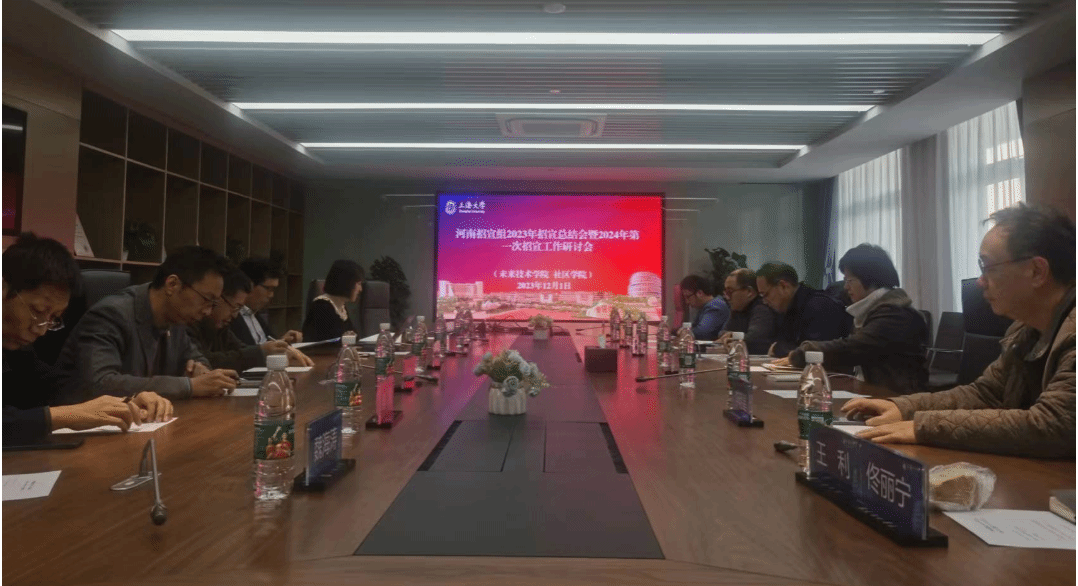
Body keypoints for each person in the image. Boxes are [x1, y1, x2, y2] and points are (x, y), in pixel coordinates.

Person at [844, 204, 1075, 459]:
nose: (980, 281)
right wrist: (903, 407)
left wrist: (924, 427)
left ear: (1037, 271)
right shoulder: (1024, 330)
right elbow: (985, 393)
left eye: (987, 267)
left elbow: (1053, 425)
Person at [3, 233, 172, 445]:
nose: (41, 330)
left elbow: (54, 389)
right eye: (37, 311)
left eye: (53, 318)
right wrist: (68, 416)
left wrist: (125, 403)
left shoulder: (18, 350)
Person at [54, 246, 239, 403]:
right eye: (206, 300)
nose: (208, 312)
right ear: (172, 284)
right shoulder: (111, 315)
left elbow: (195, 357)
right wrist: (188, 386)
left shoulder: (177, 319)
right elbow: (100, 383)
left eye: (213, 304)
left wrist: (201, 370)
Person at [776, 244, 928, 393]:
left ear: (869, 279)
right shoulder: (874, 310)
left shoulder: (895, 315)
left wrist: (804, 353)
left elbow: (851, 349)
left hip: (897, 397)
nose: (845, 287)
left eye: (850, 280)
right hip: (874, 390)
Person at [188, 269, 313, 372]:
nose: (235, 315)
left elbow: (242, 349)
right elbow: (207, 360)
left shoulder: (221, 328)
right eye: (235, 307)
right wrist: (262, 352)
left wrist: (279, 353)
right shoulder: (189, 324)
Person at [756, 262, 851, 357]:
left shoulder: (819, 306)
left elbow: (814, 353)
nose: (764, 301)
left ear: (783, 286)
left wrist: (778, 349)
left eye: (765, 295)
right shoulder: (787, 308)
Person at [231, 257, 303, 346]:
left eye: (273, 289)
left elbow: (266, 344)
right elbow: (242, 352)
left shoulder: (255, 315)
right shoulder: (230, 317)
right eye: (268, 288)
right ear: (249, 285)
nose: (271, 295)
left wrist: (283, 341)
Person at [716, 268, 779, 354]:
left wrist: (733, 336)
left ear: (749, 292)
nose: (727, 297)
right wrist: (733, 336)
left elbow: (754, 341)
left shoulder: (762, 308)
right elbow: (722, 334)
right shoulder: (737, 309)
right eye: (725, 292)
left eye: (730, 292)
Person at [303, 260, 363, 342]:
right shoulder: (322, 306)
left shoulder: (340, 306)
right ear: (347, 283)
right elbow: (330, 341)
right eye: (358, 284)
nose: (360, 289)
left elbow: (355, 336)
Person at [679, 274, 730, 341]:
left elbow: (701, 333)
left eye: (688, 297)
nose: (686, 302)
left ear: (700, 293)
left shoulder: (716, 306)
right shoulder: (704, 307)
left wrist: (684, 332)